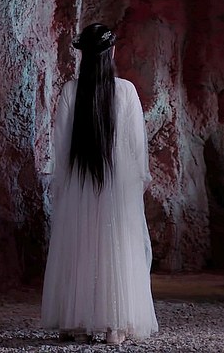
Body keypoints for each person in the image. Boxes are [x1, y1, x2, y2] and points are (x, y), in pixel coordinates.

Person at [41, 23, 158, 345]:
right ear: (112, 52)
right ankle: (115, 326)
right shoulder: (126, 91)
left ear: (84, 55)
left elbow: (62, 145)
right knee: (118, 247)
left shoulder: (70, 91)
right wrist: (141, 179)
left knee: (80, 247)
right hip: (118, 182)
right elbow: (136, 145)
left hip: (79, 178)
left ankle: (75, 323)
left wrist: (64, 182)